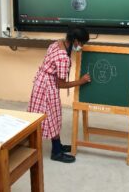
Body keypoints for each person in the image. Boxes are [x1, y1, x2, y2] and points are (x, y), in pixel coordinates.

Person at [28, 26, 91, 163]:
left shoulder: (58, 43)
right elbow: (61, 84)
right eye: (81, 43)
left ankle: (58, 145)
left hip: (41, 82)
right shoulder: (63, 57)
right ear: (75, 40)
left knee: (52, 116)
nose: (81, 46)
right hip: (47, 87)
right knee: (52, 117)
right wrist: (81, 81)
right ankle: (56, 152)